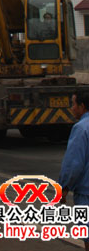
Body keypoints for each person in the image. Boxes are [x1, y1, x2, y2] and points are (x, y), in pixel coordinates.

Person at [59, 90, 89, 251]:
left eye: (73, 104)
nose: (72, 108)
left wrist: (64, 187)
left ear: (82, 106)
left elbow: (74, 164)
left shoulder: (81, 128)